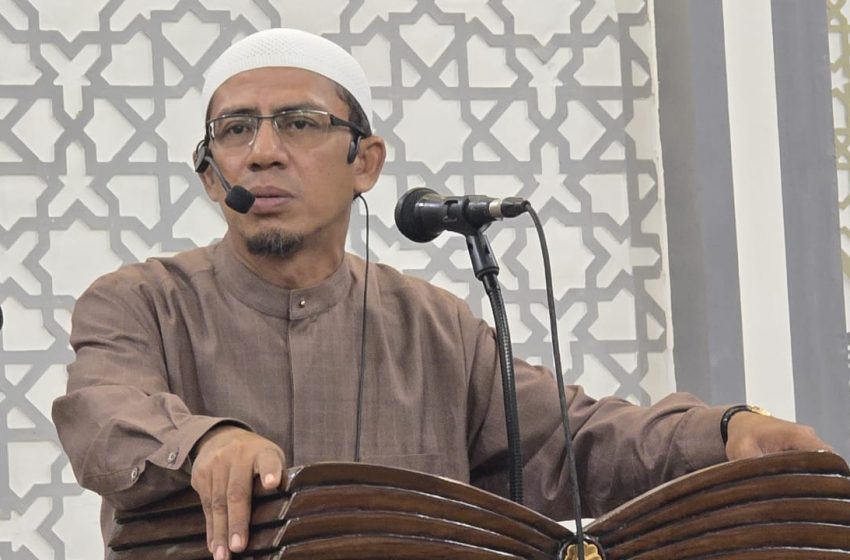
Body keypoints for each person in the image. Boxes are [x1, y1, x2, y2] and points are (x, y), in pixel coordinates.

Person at [51, 28, 830, 560]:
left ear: (366, 162)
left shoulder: (433, 326)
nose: (262, 152)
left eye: (298, 123)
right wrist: (205, 444)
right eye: (234, 130)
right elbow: (104, 413)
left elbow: (575, 440)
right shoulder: (140, 301)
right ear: (209, 175)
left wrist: (724, 434)